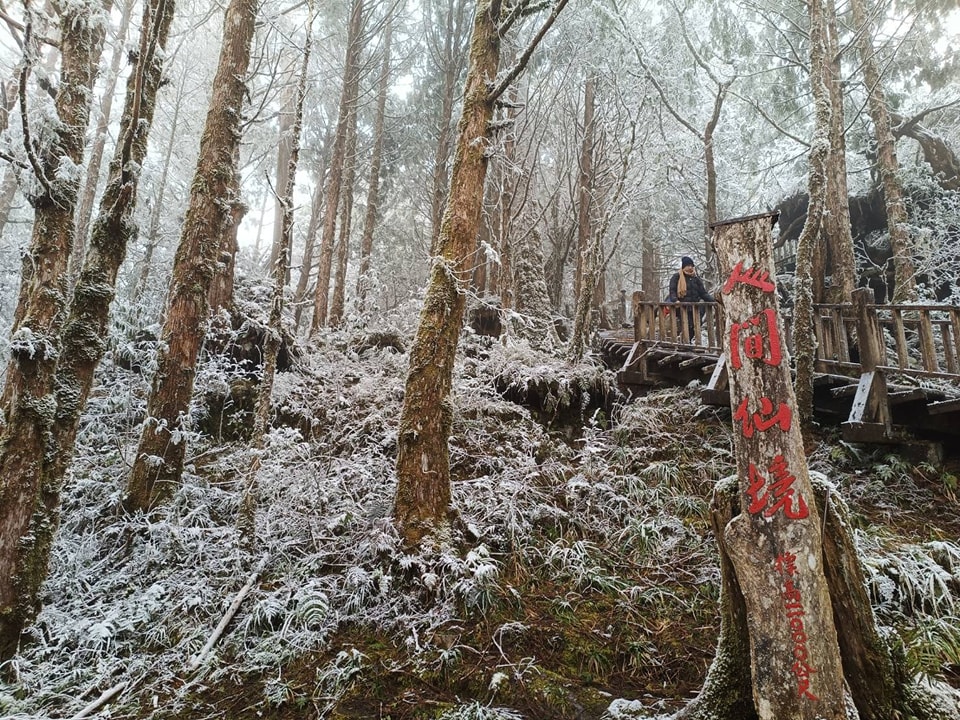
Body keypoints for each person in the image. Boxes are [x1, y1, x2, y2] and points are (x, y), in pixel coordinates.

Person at [667, 256, 714, 341]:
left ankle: (688, 344)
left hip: (695, 307)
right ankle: (686, 344)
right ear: (683, 266)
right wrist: (675, 300)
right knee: (687, 326)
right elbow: (672, 290)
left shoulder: (696, 279)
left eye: (691, 265)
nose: (690, 267)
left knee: (695, 326)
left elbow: (703, 293)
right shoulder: (677, 277)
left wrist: (713, 300)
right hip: (683, 307)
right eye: (688, 265)